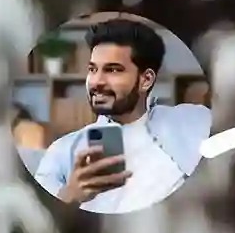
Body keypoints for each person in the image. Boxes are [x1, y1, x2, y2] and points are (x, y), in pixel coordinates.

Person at [28, 18, 212, 213]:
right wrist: (70, 195)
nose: (97, 81)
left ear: (146, 80)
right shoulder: (61, 154)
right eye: (93, 69)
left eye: (112, 70)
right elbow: (37, 223)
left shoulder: (190, 122)